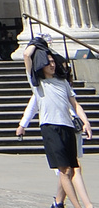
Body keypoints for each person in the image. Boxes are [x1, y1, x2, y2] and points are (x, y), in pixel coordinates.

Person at [18, 53, 95, 208]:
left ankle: (58, 203)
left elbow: (75, 104)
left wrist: (86, 122)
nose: (52, 65)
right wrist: (23, 125)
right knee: (65, 170)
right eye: (48, 63)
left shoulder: (62, 82)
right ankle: (80, 206)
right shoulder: (38, 83)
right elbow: (27, 56)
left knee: (71, 169)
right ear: (41, 65)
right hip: (50, 127)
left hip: (67, 127)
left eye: (53, 62)